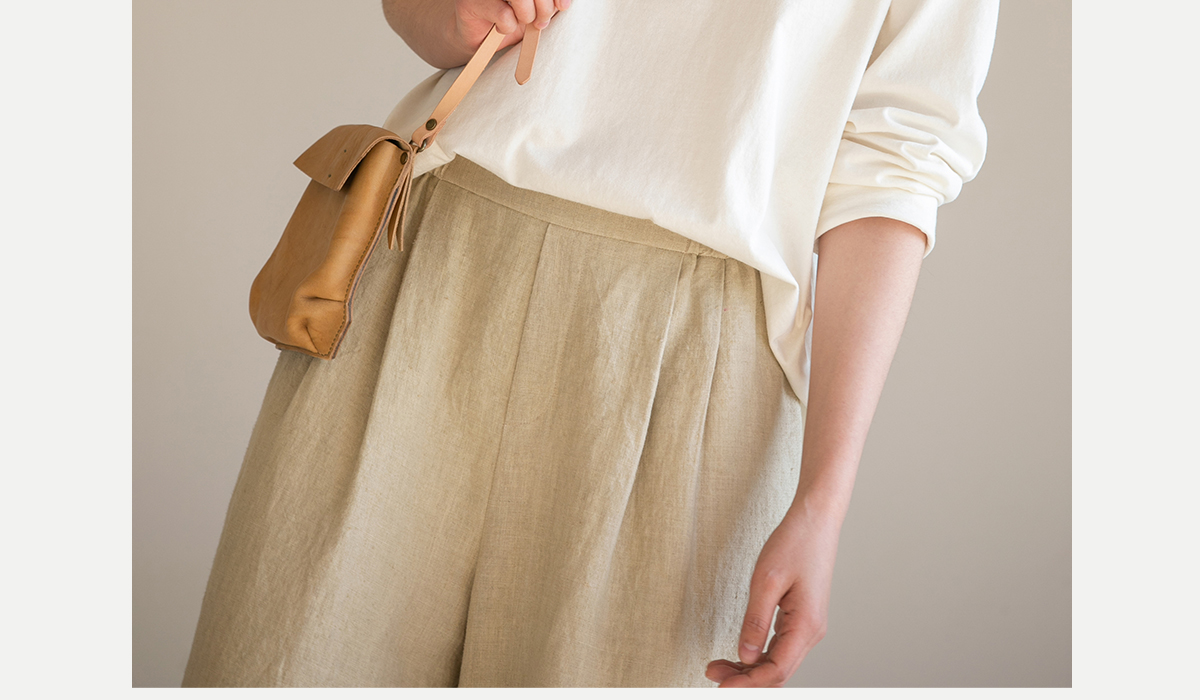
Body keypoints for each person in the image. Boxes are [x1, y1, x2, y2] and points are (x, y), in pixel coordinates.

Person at [183, 0, 998, 688]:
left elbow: (897, 164)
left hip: (694, 359)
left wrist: (823, 501)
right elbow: (425, 14)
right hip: (435, 257)